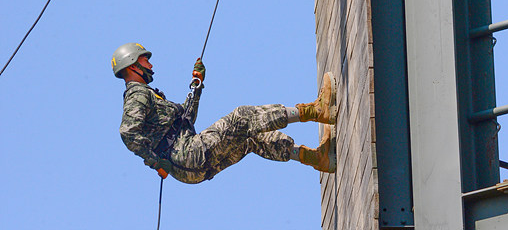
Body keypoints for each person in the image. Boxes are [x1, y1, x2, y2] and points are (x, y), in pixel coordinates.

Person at [112, 43, 338, 182]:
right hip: (189, 155)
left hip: (190, 168)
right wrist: (155, 162)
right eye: (145, 60)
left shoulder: (149, 96)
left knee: (250, 139)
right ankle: (315, 111)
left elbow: (187, 121)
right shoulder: (138, 94)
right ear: (133, 65)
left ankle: (315, 158)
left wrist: (197, 85)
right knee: (243, 118)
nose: (150, 65)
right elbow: (127, 132)